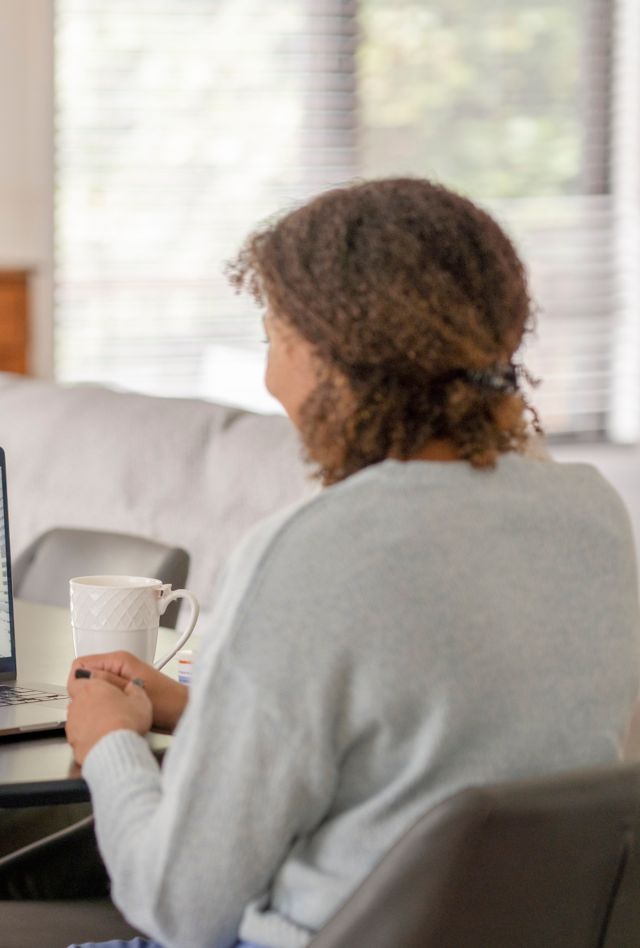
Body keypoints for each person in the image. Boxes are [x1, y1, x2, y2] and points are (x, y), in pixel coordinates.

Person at [58, 178, 639, 947]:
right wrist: (211, 711)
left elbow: (180, 908)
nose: (270, 380)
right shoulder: (593, 516)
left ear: (329, 359)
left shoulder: (307, 551)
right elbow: (437, 758)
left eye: (273, 338)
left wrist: (109, 741)